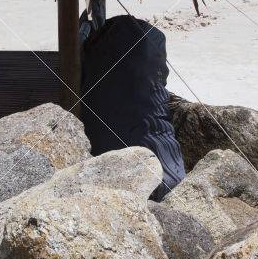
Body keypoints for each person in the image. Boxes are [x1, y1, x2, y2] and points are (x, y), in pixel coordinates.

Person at [78, 14, 186, 199]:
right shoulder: (146, 71)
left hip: (104, 168)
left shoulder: (95, 67)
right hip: (160, 177)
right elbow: (160, 78)